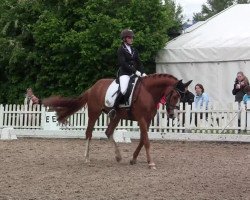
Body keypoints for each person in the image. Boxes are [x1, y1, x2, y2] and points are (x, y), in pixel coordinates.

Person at [108, 29, 146, 118]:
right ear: (124, 39)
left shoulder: (134, 50)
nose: (132, 39)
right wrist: (134, 71)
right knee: (124, 89)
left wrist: (143, 72)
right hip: (124, 73)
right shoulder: (121, 49)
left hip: (134, 73)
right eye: (130, 37)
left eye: (132, 37)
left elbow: (139, 62)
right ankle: (114, 108)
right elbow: (123, 63)